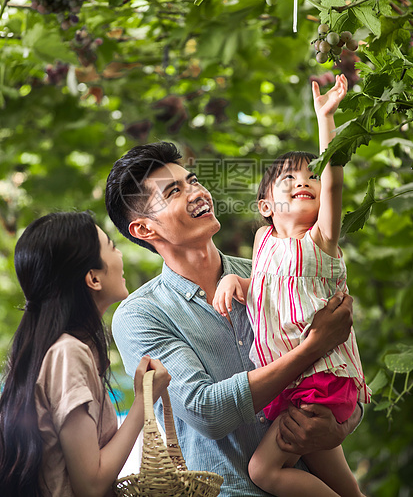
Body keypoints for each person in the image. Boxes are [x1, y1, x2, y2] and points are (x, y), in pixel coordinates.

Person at [105, 137, 361, 497]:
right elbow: (207, 410)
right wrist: (310, 348)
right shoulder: (140, 315)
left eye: (193, 180)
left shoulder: (272, 273)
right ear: (145, 229)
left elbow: (342, 364)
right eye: (174, 191)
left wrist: (343, 424)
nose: (197, 192)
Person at [212, 74, 371, 496]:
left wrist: (326, 119)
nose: (304, 183)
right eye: (289, 181)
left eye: (310, 179)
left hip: (319, 380)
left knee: (263, 471)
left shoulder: (320, 240)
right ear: (266, 206)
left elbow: (335, 179)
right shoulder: (264, 242)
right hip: (292, 381)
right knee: (342, 482)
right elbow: (267, 289)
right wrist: (235, 280)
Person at [0, 211, 170, 497]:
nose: (120, 256)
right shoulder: (68, 354)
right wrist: (144, 400)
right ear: (93, 278)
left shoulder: (59, 350)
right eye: (112, 246)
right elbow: (90, 485)